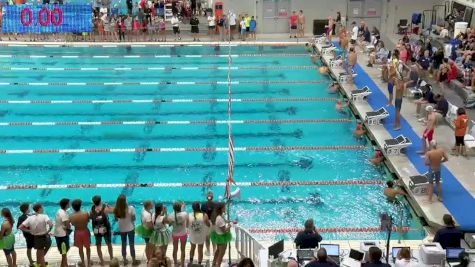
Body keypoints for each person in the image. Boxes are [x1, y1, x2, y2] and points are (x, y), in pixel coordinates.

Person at [114, 194, 139, 265]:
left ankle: (124, 260)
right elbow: (134, 219)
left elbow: (116, 219)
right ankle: (134, 260)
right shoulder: (131, 208)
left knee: (123, 244)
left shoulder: (116, 209)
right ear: (125, 201)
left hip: (122, 229)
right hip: (130, 228)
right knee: (131, 244)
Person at [91, 195, 114, 265]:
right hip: (105, 229)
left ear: (93, 202)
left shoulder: (92, 209)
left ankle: (102, 261)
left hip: (96, 229)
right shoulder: (105, 208)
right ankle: (111, 258)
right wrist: (108, 205)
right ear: (100, 201)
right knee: (109, 244)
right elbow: (113, 211)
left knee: (98, 245)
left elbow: (90, 217)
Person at [70, 199, 91, 267]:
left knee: (80, 248)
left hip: (77, 233)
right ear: (80, 205)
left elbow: (71, 224)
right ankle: (89, 262)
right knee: (88, 247)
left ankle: (83, 263)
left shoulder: (71, 216)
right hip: (85, 231)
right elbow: (88, 221)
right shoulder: (85, 213)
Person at [210, 203, 232, 267]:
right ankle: (218, 265)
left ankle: (214, 263)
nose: (226, 208)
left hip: (218, 235)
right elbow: (224, 231)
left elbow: (225, 220)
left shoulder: (219, 216)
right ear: (222, 209)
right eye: (225, 207)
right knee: (221, 254)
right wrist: (230, 226)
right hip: (222, 237)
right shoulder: (220, 219)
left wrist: (229, 221)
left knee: (218, 250)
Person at [168, 201, 188, 267]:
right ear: (180, 207)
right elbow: (185, 218)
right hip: (183, 234)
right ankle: (182, 264)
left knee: (175, 249)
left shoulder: (171, 215)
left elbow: (169, 224)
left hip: (175, 234)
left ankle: (175, 263)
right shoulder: (184, 214)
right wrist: (183, 207)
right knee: (183, 250)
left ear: (173, 208)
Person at [54, 198, 71, 267]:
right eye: (69, 203)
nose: (70, 204)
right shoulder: (63, 213)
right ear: (66, 205)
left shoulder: (59, 211)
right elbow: (68, 225)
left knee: (64, 251)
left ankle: (65, 264)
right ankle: (63, 265)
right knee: (64, 252)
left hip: (58, 234)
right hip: (62, 235)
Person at [201, 191, 215, 256]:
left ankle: (208, 251)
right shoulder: (216, 205)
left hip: (206, 222)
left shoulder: (203, 205)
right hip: (213, 222)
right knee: (213, 237)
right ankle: (214, 251)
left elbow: (202, 215)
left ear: (207, 197)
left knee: (207, 238)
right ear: (212, 197)